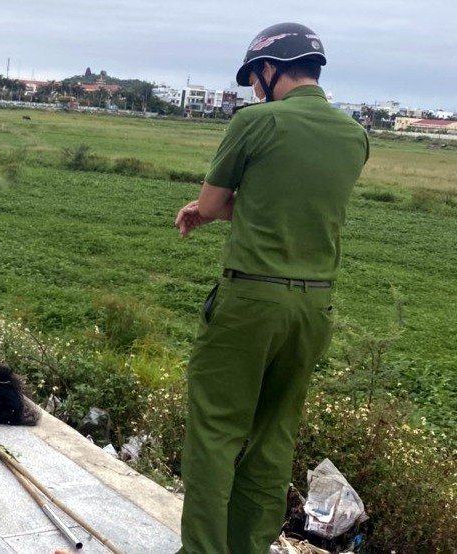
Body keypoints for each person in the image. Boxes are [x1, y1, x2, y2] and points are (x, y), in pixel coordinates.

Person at [173, 23, 369, 554]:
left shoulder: (256, 122)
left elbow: (213, 205)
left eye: (256, 77)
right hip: (313, 307)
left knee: (216, 432)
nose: (255, 88)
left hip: (252, 299)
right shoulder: (355, 136)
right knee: (274, 436)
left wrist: (201, 210)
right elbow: (288, 202)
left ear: (270, 68)